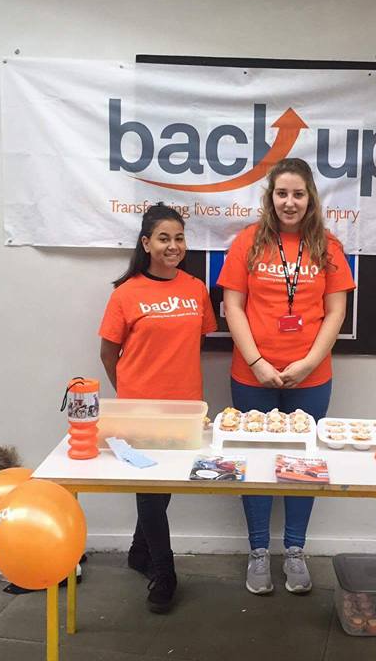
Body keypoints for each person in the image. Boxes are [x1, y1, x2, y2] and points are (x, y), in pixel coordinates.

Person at [217, 158, 355, 595]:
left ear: (310, 197)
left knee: (303, 467)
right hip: (251, 373)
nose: (289, 202)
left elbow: (336, 311)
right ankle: (259, 552)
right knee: (254, 466)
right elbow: (232, 306)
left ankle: (294, 551)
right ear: (270, 197)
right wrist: (257, 361)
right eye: (282, 194)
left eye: (298, 194)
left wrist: (309, 362)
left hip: (311, 376)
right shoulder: (247, 243)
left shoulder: (327, 247)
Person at [99, 203, 217, 613]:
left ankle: (137, 551)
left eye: (179, 238)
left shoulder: (196, 289)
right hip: (140, 411)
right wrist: (131, 396)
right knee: (151, 492)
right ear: (146, 243)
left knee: (163, 488)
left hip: (184, 409)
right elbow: (108, 353)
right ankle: (164, 573)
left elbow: (194, 343)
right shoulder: (126, 293)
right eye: (164, 238)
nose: (173, 246)